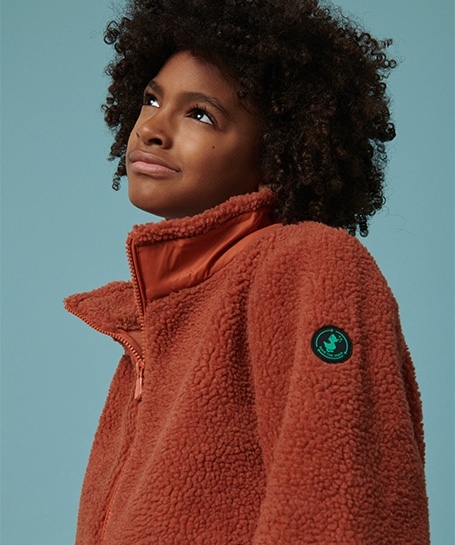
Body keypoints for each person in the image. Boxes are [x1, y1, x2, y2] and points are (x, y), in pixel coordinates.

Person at [65, 0, 430, 543]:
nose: (152, 129)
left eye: (200, 114)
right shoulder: (157, 319)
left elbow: (344, 506)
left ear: (276, 152)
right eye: (152, 99)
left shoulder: (309, 265)